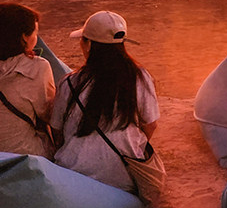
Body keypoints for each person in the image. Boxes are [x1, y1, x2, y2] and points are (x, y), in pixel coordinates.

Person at [50, 11, 159, 192]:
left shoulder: (69, 82)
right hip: (124, 176)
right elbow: (150, 125)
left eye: (82, 39)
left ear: (88, 44)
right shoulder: (139, 77)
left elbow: (56, 130)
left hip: (74, 174)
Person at [0, 3, 55, 157]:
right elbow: (49, 114)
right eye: (35, 33)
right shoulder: (37, 67)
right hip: (24, 159)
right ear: (24, 37)